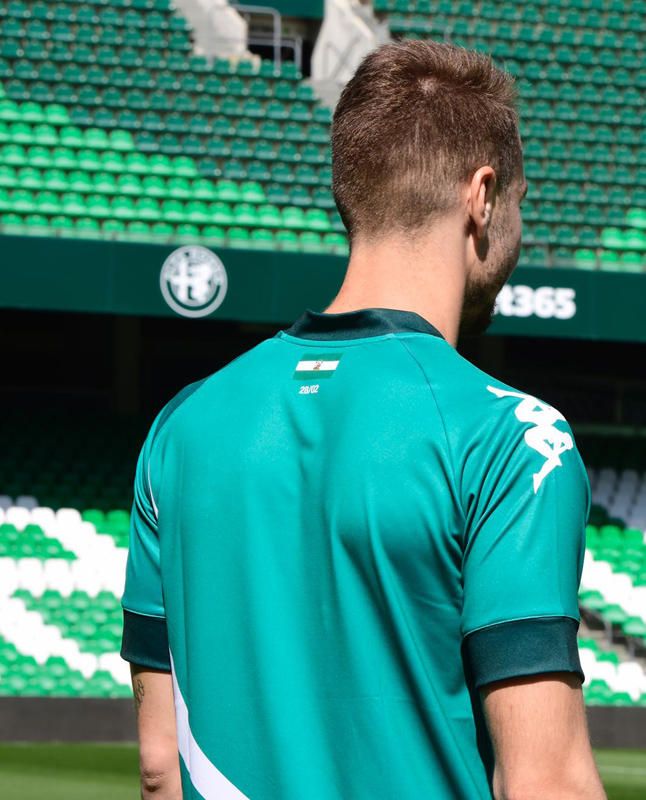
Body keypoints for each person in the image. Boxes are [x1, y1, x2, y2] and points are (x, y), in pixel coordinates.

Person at [121, 40, 606, 800]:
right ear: (481, 196)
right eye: (519, 201)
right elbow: (546, 783)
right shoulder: (515, 440)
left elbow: (159, 767)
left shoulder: (180, 427)